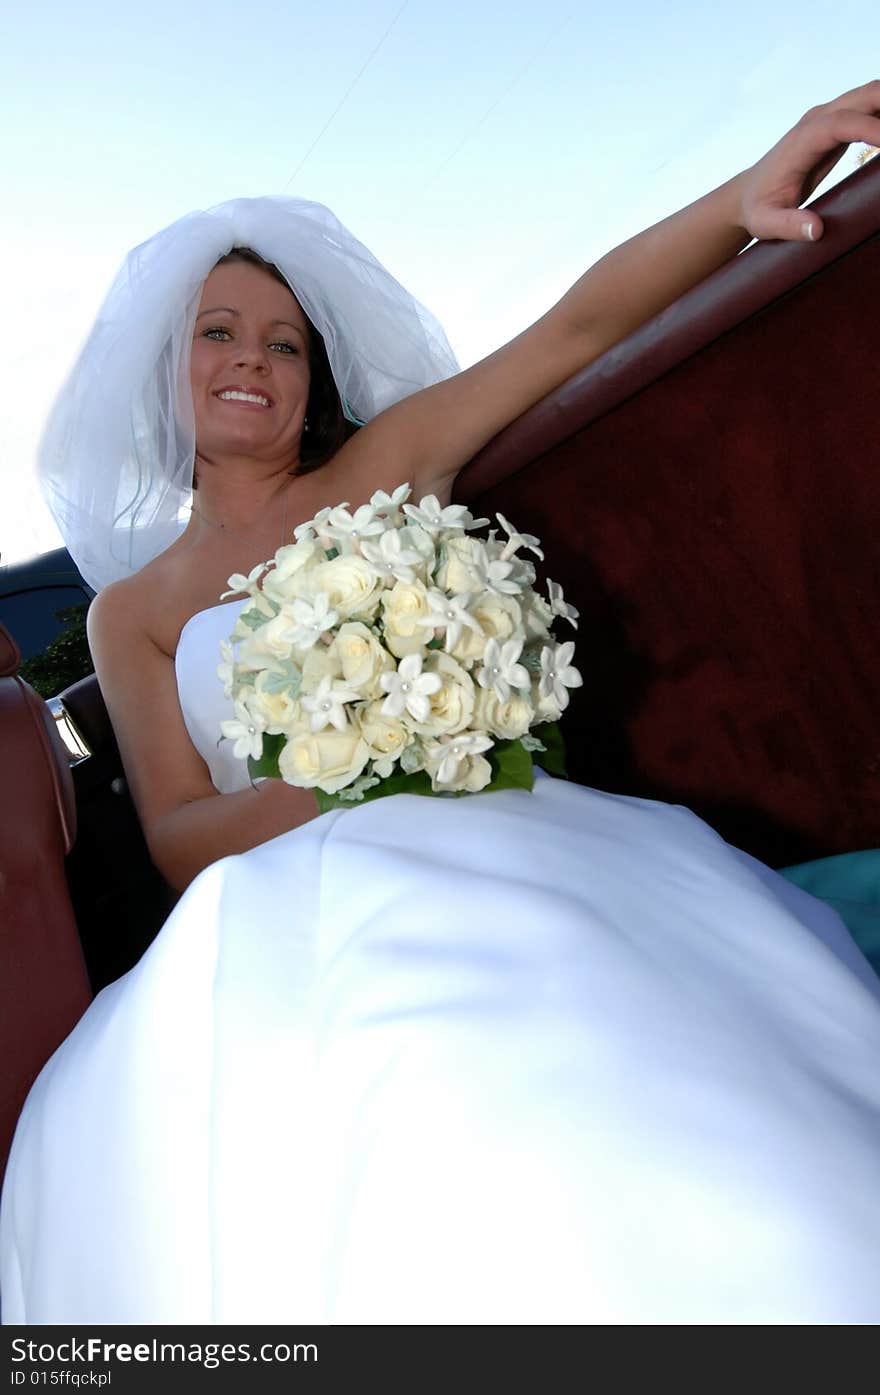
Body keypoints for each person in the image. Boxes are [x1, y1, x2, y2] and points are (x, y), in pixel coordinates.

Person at [2, 83, 880, 1324]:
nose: (252, 357)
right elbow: (175, 833)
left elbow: (573, 331)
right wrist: (354, 780)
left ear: (313, 380)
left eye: (285, 341)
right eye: (218, 332)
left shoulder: (378, 470)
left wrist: (746, 194)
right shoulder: (130, 611)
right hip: (282, 895)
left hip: (492, 824)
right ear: (169, 369)